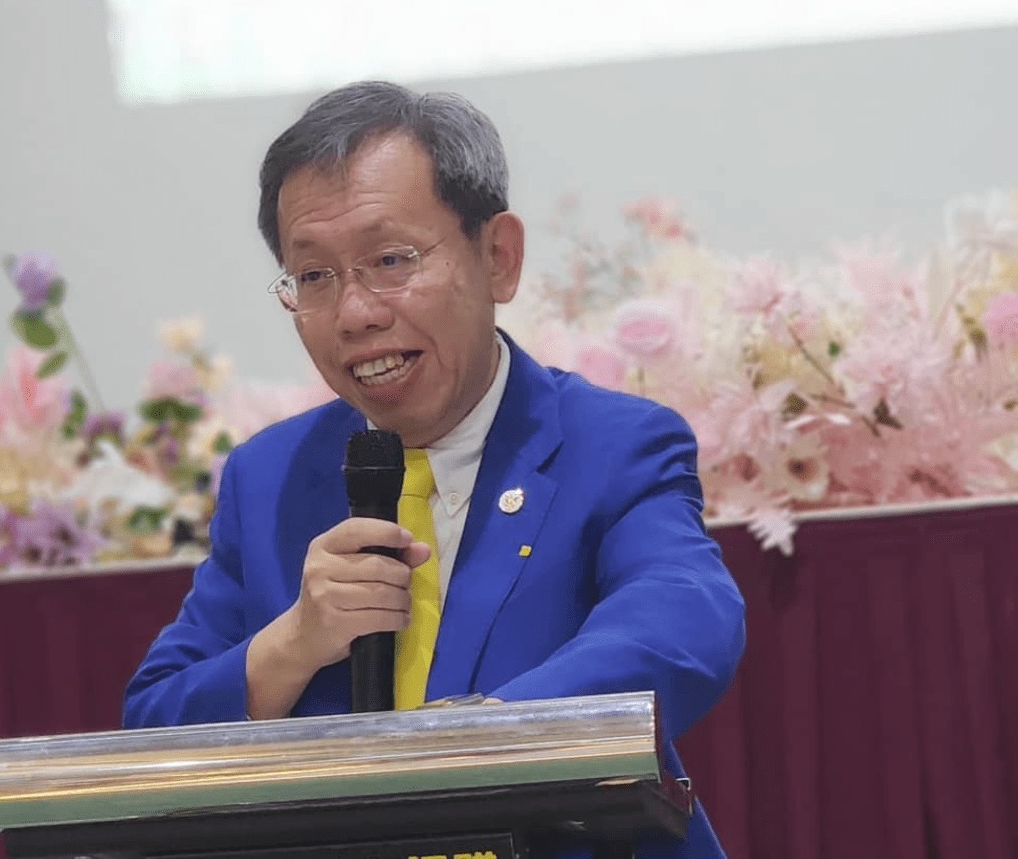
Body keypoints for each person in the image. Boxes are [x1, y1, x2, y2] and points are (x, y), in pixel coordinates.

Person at [123, 81, 746, 858]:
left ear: (498, 258)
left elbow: (682, 624)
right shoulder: (270, 478)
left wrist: (479, 743)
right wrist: (293, 644)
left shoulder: (612, 446)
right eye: (314, 276)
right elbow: (151, 725)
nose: (355, 313)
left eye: (391, 260)